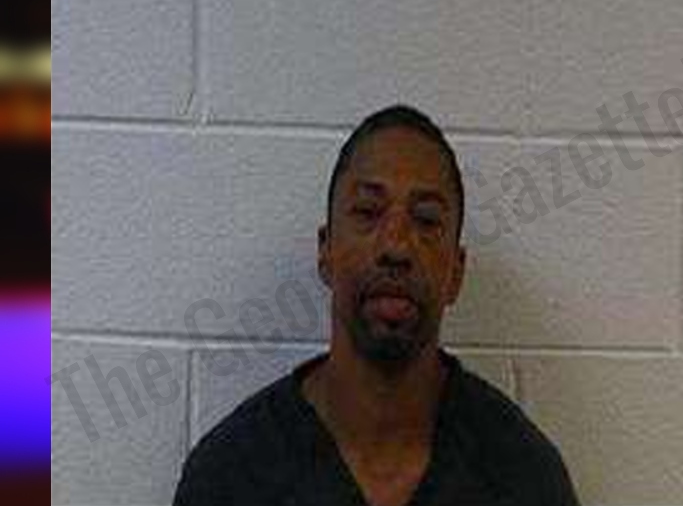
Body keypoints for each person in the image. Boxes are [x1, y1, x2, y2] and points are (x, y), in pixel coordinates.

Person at [173, 105, 580, 506]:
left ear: (456, 273)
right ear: (325, 252)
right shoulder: (231, 476)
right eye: (368, 212)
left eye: (426, 220)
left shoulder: (523, 477)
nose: (396, 246)